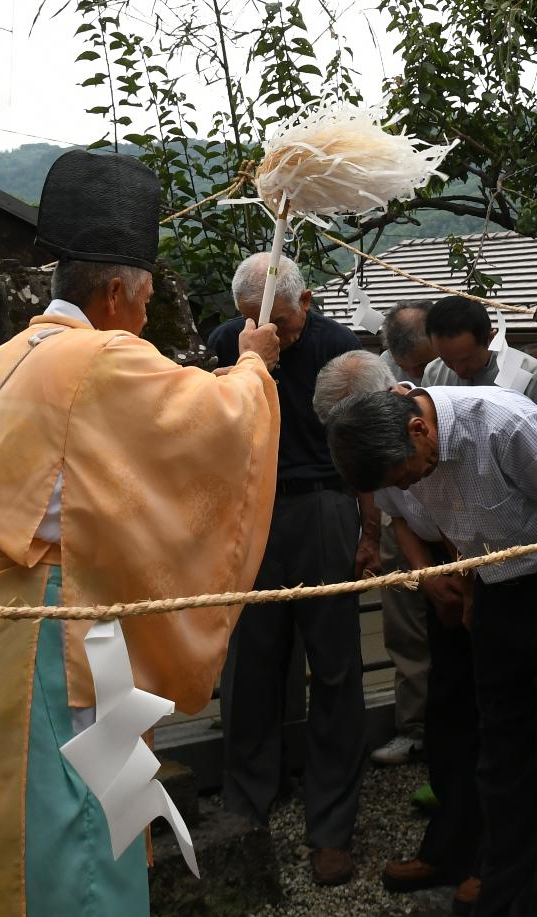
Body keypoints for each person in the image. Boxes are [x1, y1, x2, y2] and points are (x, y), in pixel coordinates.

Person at [0, 151, 282, 917]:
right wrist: (253, 367)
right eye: (147, 296)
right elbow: (215, 425)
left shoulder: (8, 356)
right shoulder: (102, 357)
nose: (149, 314)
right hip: (61, 632)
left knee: (1, 818)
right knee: (80, 825)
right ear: (117, 289)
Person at [328, 384, 537, 917]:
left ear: (418, 430)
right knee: (500, 753)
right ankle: (503, 888)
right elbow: (455, 528)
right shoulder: (397, 455)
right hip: (491, 592)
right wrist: (471, 589)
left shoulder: (501, 424)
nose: (410, 484)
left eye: (408, 474)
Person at [210, 252, 368, 888]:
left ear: (306, 303)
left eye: (279, 320)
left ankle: (331, 825)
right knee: (250, 662)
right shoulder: (231, 342)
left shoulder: (339, 348)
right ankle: (247, 798)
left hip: (325, 505)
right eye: (253, 320)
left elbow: (364, 442)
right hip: (252, 511)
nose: (271, 331)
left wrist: (371, 528)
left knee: (334, 668)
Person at [375, 301, 439, 769]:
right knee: (406, 627)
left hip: (459, 513)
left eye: (425, 359)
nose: (420, 371)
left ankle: (457, 728)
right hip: (400, 512)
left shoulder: (452, 368)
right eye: (411, 364)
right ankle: (413, 728)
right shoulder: (374, 379)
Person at [421, 295, 537, 419]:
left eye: (467, 359)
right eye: (447, 360)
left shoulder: (529, 376)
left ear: (490, 339)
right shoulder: (433, 374)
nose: (459, 370)